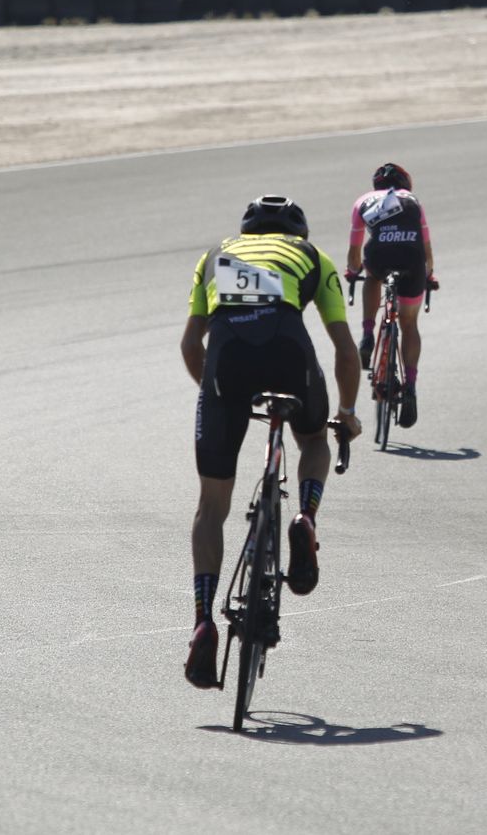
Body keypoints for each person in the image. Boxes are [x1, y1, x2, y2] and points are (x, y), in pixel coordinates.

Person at [178, 195, 363, 689]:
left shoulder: (214, 255)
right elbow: (345, 347)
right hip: (288, 350)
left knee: (210, 507)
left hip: (226, 360)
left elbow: (189, 345)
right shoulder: (311, 255)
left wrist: (219, 400)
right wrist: (345, 413)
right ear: (295, 232)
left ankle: (202, 619)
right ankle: (305, 515)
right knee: (314, 442)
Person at [345, 163, 436, 428]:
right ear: (406, 184)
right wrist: (429, 273)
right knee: (409, 324)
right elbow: (426, 246)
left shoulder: (363, 201)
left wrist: (353, 271)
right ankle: (410, 385)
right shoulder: (412, 200)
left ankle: (366, 334)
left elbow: (355, 249)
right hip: (412, 259)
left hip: (379, 256)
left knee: (372, 276)